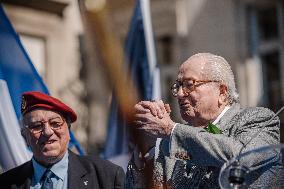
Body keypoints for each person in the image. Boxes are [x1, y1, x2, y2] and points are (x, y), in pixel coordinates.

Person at [126, 53, 283, 188]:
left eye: (189, 85)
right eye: (178, 86)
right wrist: (146, 147)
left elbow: (243, 157)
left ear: (222, 92)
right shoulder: (170, 142)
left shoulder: (259, 119)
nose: (180, 94)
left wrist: (170, 130)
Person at [0, 91, 125, 189]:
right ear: (24, 136)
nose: (48, 132)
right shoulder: (6, 183)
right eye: (37, 126)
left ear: (68, 130)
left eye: (55, 123)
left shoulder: (107, 176)